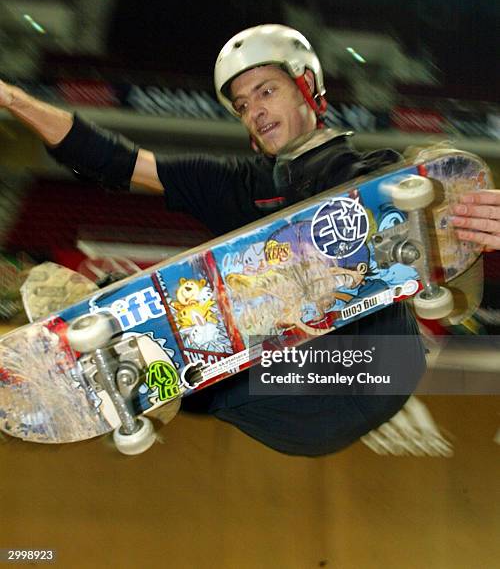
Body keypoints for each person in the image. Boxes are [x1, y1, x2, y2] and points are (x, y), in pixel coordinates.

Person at [0, 24, 497, 456]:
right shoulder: (238, 187)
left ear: (307, 88)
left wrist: (464, 219)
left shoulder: (366, 172)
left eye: (266, 91)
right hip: (287, 410)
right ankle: (133, 367)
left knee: (414, 177)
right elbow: (113, 162)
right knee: (188, 330)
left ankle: (146, 356)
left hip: (378, 369)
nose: (254, 111)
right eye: (242, 105)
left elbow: (448, 217)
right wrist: (12, 98)